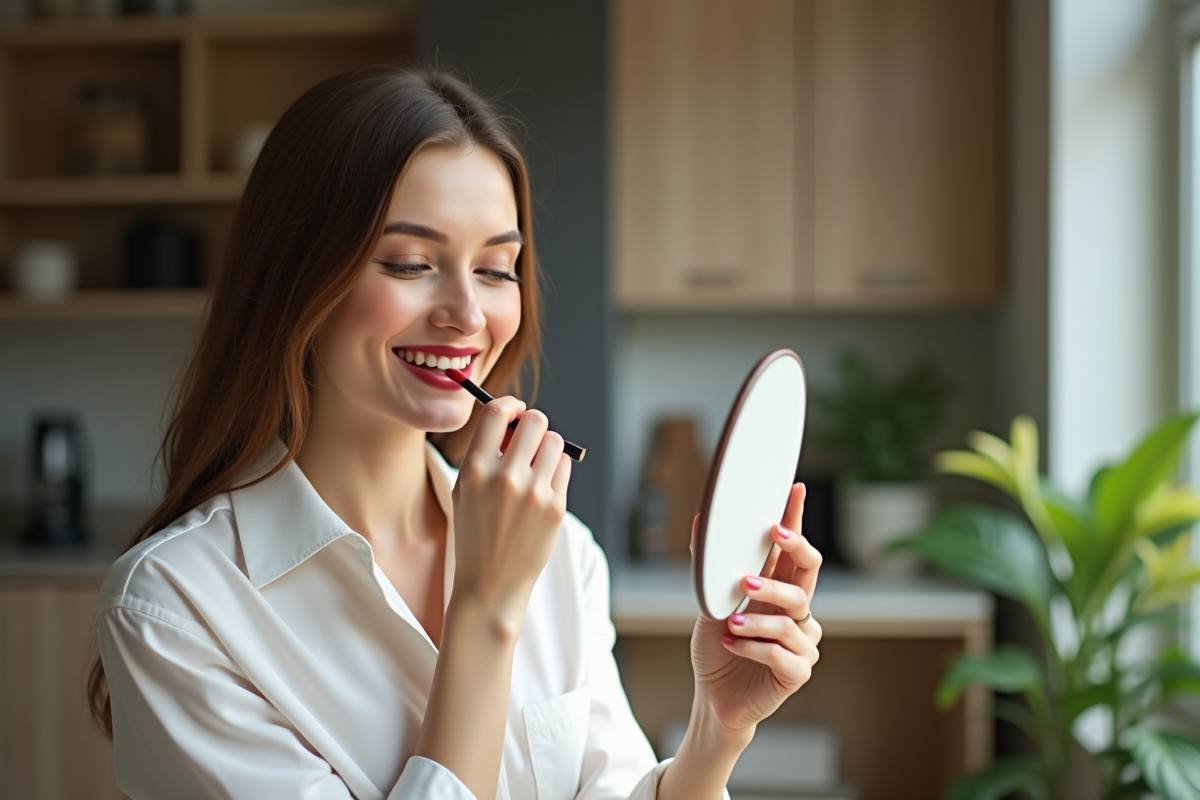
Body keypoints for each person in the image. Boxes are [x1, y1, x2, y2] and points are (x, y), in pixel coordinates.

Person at [87, 68, 823, 800]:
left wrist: (713, 736)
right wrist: (485, 611)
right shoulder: (174, 606)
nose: (467, 313)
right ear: (296, 276)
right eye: (411, 263)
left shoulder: (563, 554)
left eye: (497, 268)